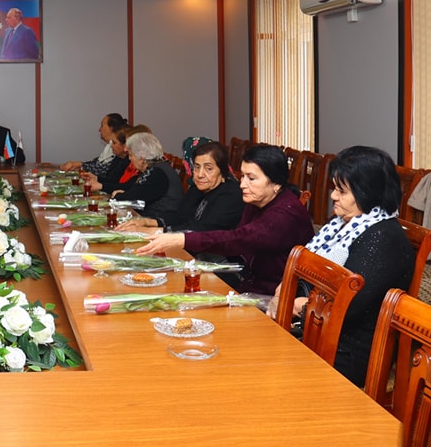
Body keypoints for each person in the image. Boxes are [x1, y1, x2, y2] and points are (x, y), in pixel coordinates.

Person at [270, 145, 415, 387]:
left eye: (342, 191)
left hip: (347, 350)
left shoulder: (382, 238)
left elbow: (347, 307)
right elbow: (307, 267)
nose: (333, 196)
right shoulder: (343, 224)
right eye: (334, 188)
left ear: (368, 193)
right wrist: (283, 290)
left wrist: (291, 305)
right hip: (317, 330)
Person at [134, 144, 314, 294]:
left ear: (276, 184)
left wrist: (181, 238)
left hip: (274, 295)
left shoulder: (284, 214)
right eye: (243, 176)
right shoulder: (257, 199)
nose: (243, 184)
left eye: (251, 178)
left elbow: (239, 239)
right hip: (247, 281)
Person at [119, 141, 243, 232]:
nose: (200, 175)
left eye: (208, 169)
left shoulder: (231, 195)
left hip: (218, 260)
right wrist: (146, 222)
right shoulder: (197, 188)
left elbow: (202, 231)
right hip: (189, 248)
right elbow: (180, 217)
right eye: (197, 167)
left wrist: (151, 232)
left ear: (222, 171)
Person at [82, 131, 183, 224]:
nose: (129, 159)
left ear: (142, 157)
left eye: (131, 155)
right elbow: (130, 187)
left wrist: (119, 195)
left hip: (159, 225)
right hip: (148, 219)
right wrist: (101, 182)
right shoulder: (155, 167)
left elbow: (131, 197)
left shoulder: (157, 173)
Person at [60, 113, 130, 174]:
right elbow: (97, 163)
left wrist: (79, 165)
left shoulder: (118, 151)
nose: (99, 129)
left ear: (111, 128)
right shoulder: (109, 147)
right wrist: (78, 165)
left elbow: (103, 170)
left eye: (102, 125)